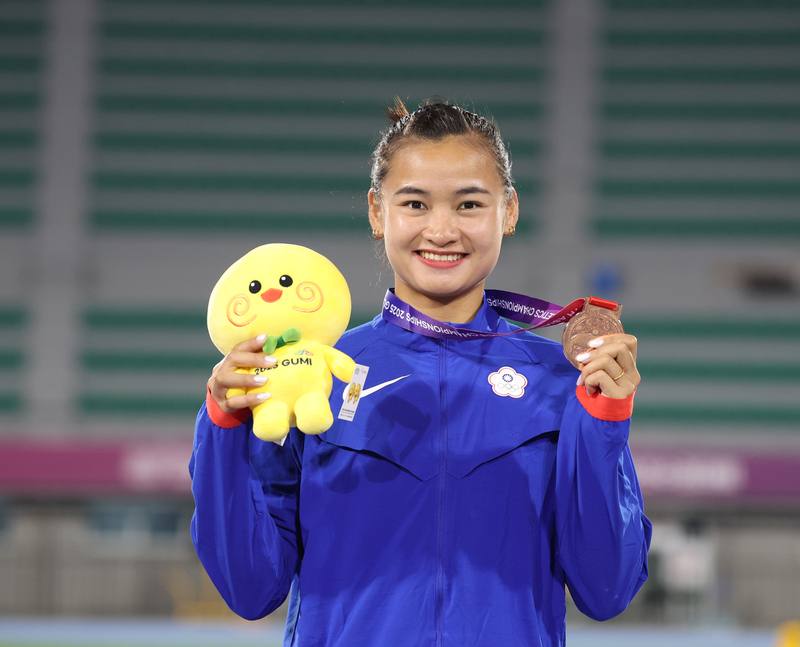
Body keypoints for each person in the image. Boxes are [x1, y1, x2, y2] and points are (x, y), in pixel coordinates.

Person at [189, 97, 652, 647]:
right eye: (414, 204)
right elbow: (250, 588)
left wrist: (603, 419)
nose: (441, 230)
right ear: (376, 211)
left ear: (508, 211)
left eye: (469, 205)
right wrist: (221, 424)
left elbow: (607, 589)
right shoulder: (312, 376)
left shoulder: (561, 383)